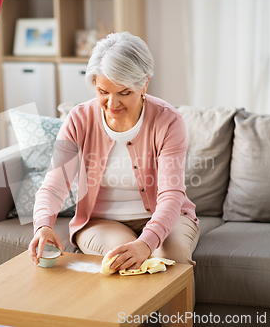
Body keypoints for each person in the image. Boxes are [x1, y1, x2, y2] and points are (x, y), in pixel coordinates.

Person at [28, 32, 200, 274]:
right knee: (121, 259)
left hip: (168, 217)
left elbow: (171, 194)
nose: (112, 104)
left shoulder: (168, 121)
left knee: (171, 258)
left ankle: (174, 314)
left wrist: (146, 242)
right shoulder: (78, 119)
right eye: (103, 92)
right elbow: (55, 184)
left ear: (144, 84)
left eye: (124, 92)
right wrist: (43, 225)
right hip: (101, 222)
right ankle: (131, 315)